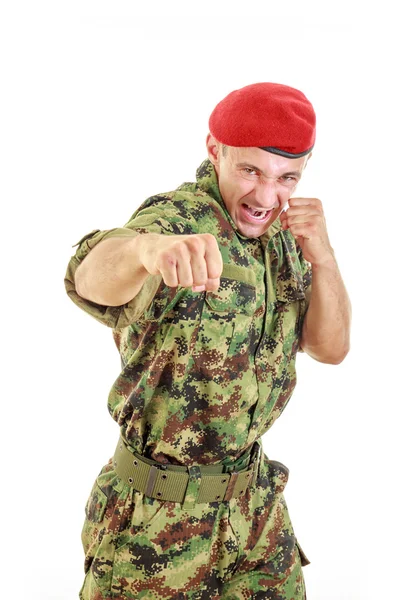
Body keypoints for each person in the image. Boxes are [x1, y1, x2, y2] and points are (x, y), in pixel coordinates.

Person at [64, 82, 351, 600]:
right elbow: (89, 276)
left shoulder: (283, 232)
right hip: (155, 523)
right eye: (250, 171)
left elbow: (331, 348)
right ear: (215, 151)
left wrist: (323, 258)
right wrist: (146, 251)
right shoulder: (179, 219)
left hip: (255, 510)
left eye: (286, 177)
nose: (266, 197)